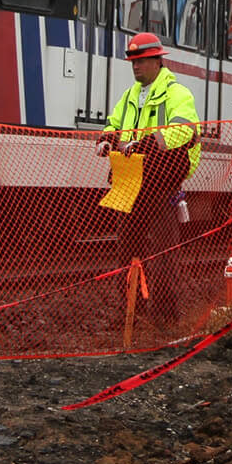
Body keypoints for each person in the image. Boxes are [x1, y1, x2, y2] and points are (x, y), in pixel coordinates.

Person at [95, 31, 203, 324]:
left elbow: (185, 131)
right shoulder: (130, 96)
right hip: (130, 183)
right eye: (132, 61)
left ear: (157, 61)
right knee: (127, 251)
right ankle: (131, 311)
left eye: (140, 61)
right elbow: (114, 123)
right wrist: (106, 138)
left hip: (160, 184)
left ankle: (165, 318)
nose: (135, 66)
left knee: (164, 254)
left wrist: (143, 145)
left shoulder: (177, 94)